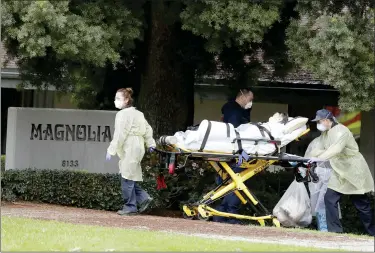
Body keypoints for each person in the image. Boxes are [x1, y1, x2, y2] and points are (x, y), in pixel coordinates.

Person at [308, 109, 375, 236]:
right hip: (338, 170)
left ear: (327, 120)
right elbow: (318, 148)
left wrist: (320, 157)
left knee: (361, 203)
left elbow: (336, 149)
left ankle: (372, 232)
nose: (319, 124)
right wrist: (310, 157)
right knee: (329, 198)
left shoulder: (341, 131)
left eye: (320, 121)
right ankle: (335, 232)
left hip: (353, 170)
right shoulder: (325, 134)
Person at [106, 88, 156, 216]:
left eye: (118, 98)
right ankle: (143, 198)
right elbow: (147, 129)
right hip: (138, 146)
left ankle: (130, 206)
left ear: (126, 100)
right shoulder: (138, 114)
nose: (115, 101)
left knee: (126, 176)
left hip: (130, 145)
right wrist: (150, 143)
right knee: (130, 175)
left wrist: (111, 149)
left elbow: (120, 134)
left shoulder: (122, 115)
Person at [213, 88, 254, 224]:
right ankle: (231, 213)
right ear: (242, 96)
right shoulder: (234, 111)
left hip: (235, 150)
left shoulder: (234, 110)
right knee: (238, 178)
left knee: (232, 180)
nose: (251, 102)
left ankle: (222, 212)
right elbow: (238, 130)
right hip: (239, 150)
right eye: (250, 99)